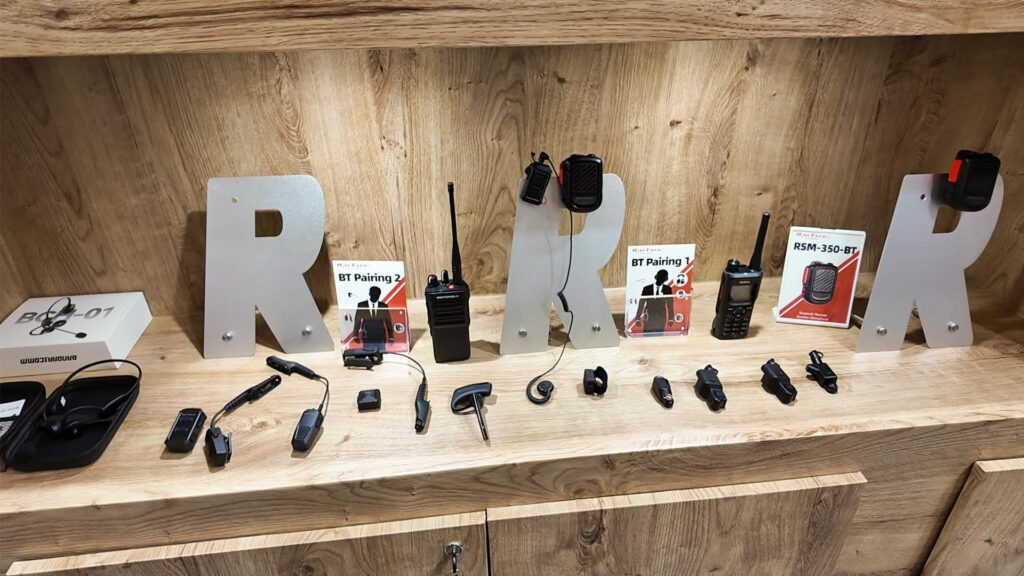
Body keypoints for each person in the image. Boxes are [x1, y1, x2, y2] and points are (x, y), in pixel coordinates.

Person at [633, 269, 673, 334]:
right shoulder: (647, 288)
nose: (661, 279)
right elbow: (641, 303)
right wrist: (638, 318)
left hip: (661, 317)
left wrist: (671, 318)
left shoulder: (668, 289)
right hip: (648, 317)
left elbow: (670, 304)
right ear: (657, 277)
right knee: (646, 335)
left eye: (663, 277)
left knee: (660, 336)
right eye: (660, 277)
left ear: (666, 279)